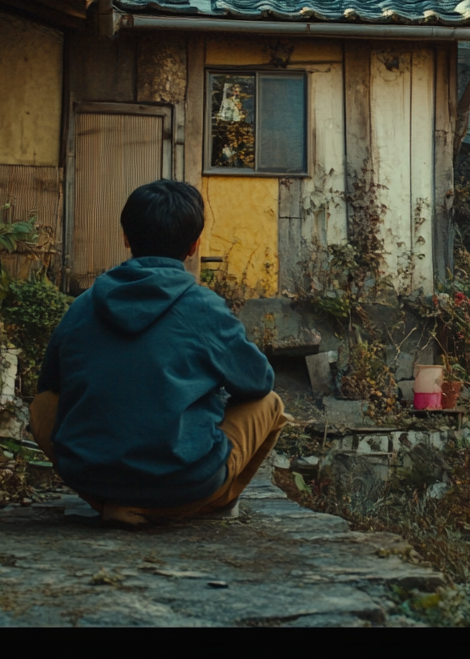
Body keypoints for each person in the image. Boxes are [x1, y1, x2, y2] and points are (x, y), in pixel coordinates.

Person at [28, 180, 286, 527]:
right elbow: (258, 382)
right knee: (270, 403)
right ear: (194, 246)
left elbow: (50, 386)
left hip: (93, 477)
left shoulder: (84, 304)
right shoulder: (204, 307)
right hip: (184, 480)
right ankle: (197, 506)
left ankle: (112, 503)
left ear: (125, 237)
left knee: (42, 405)